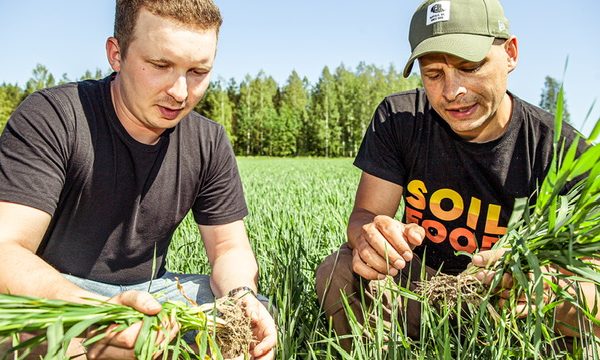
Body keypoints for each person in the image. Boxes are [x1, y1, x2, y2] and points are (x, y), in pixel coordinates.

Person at [315, 0, 597, 352]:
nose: (452, 92)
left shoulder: (561, 149)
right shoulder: (399, 119)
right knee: (339, 272)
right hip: (421, 287)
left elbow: (592, 267)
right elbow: (366, 216)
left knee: (585, 300)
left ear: (510, 53)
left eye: (470, 66)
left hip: (510, 302)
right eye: (434, 74)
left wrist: (537, 280)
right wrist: (373, 239)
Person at [0, 0, 276, 359]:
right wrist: (101, 314)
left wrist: (241, 299)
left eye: (198, 71)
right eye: (160, 65)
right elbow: (6, 250)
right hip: (56, 293)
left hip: (152, 295)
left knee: (255, 319)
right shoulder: (53, 117)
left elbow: (229, 249)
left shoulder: (208, 140)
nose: (180, 92)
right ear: (116, 54)